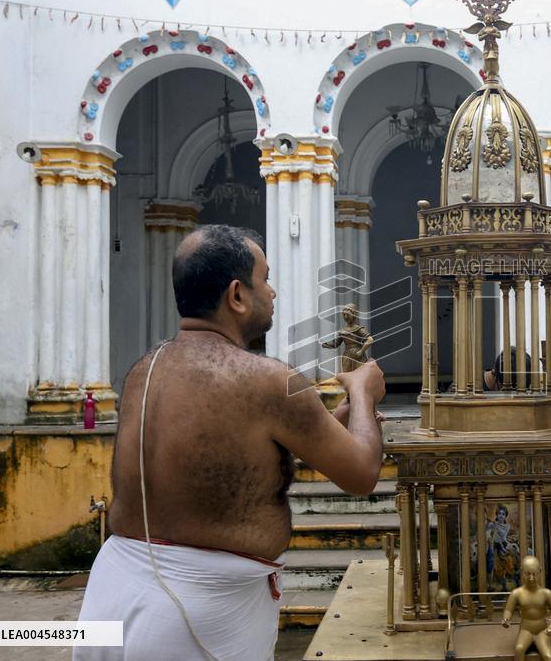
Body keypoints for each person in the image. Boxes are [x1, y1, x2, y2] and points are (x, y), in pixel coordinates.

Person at [75, 225, 386, 660]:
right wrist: (364, 392)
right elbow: (363, 474)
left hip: (112, 594)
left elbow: (237, 467)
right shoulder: (269, 381)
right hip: (191, 622)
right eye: (266, 279)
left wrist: (327, 427)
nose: (273, 292)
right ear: (237, 295)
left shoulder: (145, 369)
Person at [501, 556, 551, 661]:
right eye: (527, 574)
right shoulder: (517, 593)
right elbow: (508, 610)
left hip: (542, 630)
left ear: (540, 571)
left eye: (534, 574)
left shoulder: (546, 593)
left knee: (549, 657)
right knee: (519, 649)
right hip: (526, 629)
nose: (531, 578)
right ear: (522, 572)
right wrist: (506, 619)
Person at [321, 303, 373, 373]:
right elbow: (336, 343)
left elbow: (370, 340)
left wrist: (361, 351)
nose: (345, 317)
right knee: (348, 375)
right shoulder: (342, 331)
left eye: (347, 314)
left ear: (354, 314)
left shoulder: (359, 329)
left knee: (360, 374)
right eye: (344, 315)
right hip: (347, 356)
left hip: (358, 355)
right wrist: (327, 344)